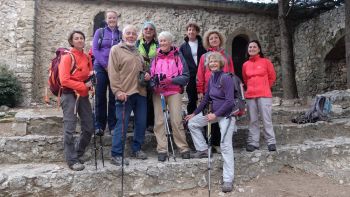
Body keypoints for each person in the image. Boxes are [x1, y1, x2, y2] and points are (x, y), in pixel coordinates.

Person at [185, 52, 236, 193]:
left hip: (226, 116)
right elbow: (206, 98)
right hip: (214, 114)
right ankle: (203, 149)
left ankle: (228, 179)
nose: (212, 63)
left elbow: (230, 101)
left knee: (225, 146)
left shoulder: (226, 78)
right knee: (192, 123)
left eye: (215, 61)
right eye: (210, 61)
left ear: (220, 63)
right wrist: (194, 114)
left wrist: (215, 114)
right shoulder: (212, 78)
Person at [108, 25, 149, 166]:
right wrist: (117, 91)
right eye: (128, 33)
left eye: (133, 34)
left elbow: (142, 70)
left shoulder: (138, 52)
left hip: (140, 93)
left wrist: (146, 74)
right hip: (124, 93)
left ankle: (136, 149)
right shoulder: (116, 50)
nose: (131, 36)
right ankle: (116, 154)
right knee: (122, 124)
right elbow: (112, 72)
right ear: (123, 35)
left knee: (141, 123)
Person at [150, 31, 191, 162]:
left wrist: (170, 80)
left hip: (173, 91)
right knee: (159, 121)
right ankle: (162, 149)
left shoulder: (178, 56)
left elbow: (185, 76)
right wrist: (154, 84)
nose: (162, 43)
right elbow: (150, 75)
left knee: (176, 120)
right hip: (159, 92)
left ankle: (183, 148)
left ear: (170, 42)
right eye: (160, 41)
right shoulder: (155, 57)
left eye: (165, 40)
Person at [59, 30, 93, 171]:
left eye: (81, 38)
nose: (80, 40)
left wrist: (90, 83)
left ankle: (78, 153)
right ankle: (72, 160)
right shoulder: (67, 57)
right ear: (71, 41)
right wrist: (83, 86)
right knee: (70, 129)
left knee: (89, 127)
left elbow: (87, 76)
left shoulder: (86, 57)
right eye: (76, 38)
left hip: (83, 95)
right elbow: (64, 80)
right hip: (69, 95)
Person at [196, 29, 234, 153]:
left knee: (221, 117)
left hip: (224, 92)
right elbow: (200, 74)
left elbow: (232, 73)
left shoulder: (226, 56)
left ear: (220, 39)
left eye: (216, 38)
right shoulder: (204, 57)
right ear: (208, 41)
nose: (213, 40)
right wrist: (200, 91)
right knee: (210, 118)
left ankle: (220, 144)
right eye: (211, 38)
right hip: (209, 91)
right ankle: (210, 144)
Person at [242, 40, 277, 152]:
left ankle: (271, 142)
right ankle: (253, 142)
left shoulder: (266, 62)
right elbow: (245, 79)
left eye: (254, 47)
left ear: (259, 49)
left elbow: (272, 77)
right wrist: (252, 88)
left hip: (264, 94)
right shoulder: (245, 64)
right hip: (251, 95)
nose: (252, 49)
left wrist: (265, 87)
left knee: (266, 119)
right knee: (253, 120)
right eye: (250, 47)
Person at [92, 10, 122, 135]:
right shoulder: (100, 32)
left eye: (114, 18)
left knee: (113, 96)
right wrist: (105, 65)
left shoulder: (121, 34)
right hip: (100, 67)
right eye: (109, 18)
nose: (112, 20)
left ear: (117, 19)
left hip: (115, 68)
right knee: (100, 96)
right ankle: (99, 125)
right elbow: (95, 49)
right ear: (106, 19)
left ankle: (113, 125)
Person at [179, 22, 207, 114]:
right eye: (189, 30)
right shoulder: (183, 47)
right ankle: (191, 121)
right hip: (190, 76)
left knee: (204, 98)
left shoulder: (203, 44)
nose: (191, 32)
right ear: (187, 32)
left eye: (193, 30)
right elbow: (180, 62)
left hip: (203, 74)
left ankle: (204, 123)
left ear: (197, 32)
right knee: (192, 99)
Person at [136, 21, 158, 132]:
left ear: (154, 32)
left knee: (151, 99)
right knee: (140, 99)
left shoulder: (158, 44)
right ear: (142, 31)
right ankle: (139, 123)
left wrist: (151, 72)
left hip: (153, 75)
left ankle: (150, 123)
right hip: (139, 74)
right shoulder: (136, 43)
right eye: (146, 29)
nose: (148, 30)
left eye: (151, 29)